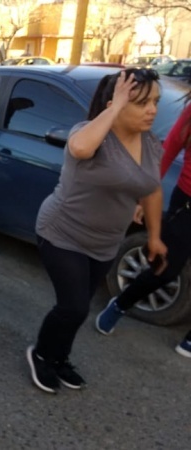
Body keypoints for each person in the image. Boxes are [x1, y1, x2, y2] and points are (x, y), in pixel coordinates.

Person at [27, 68, 167, 394]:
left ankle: (60, 358)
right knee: (73, 306)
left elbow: (151, 190)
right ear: (113, 104)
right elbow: (78, 149)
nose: (152, 110)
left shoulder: (150, 143)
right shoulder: (90, 134)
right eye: (142, 103)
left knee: (79, 308)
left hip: (104, 243)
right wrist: (115, 108)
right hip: (62, 233)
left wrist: (156, 238)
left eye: (156, 102)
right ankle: (41, 354)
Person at [95, 74, 191, 359]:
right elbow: (168, 150)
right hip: (187, 204)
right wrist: (144, 195)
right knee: (166, 268)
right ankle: (120, 304)